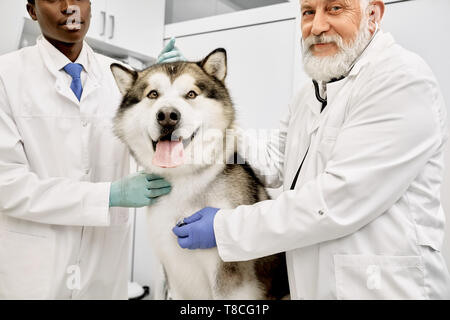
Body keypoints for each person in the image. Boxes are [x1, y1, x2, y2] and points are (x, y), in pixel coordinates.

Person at [173, 0, 450, 299]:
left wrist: (225, 227)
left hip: (382, 288)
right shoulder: (310, 93)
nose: (316, 27)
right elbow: (274, 162)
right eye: (308, 12)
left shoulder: (401, 79)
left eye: (334, 8)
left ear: (373, 15)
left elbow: (338, 200)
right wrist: (204, 116)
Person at [0, 0, 183, 299]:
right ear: (32, 11)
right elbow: (7, 185)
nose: (70, 7)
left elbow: (159, 154)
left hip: (104, 267)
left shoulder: (126, 81)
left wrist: (173, 95)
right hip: (34, 270)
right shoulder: (5, 77)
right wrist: (109, 195)